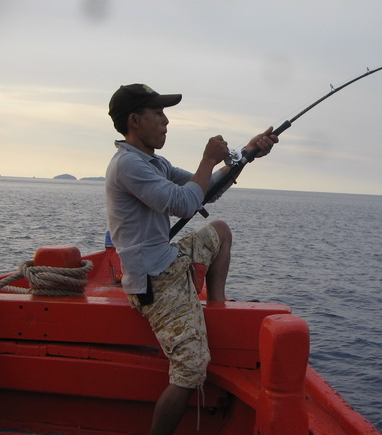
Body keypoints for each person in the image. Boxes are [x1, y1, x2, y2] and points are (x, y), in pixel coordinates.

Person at [105, 83, 277, 434]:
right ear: (135, 120)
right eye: (159, 114)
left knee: (221, 231)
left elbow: (206, 190)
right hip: (152, 281)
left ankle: (216, 306)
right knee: (190, 370)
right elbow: (184, 203)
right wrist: (207, 158)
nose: (166, 121)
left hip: (169, 261)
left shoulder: (152, 162)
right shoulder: (128, 165)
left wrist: (246, 153)